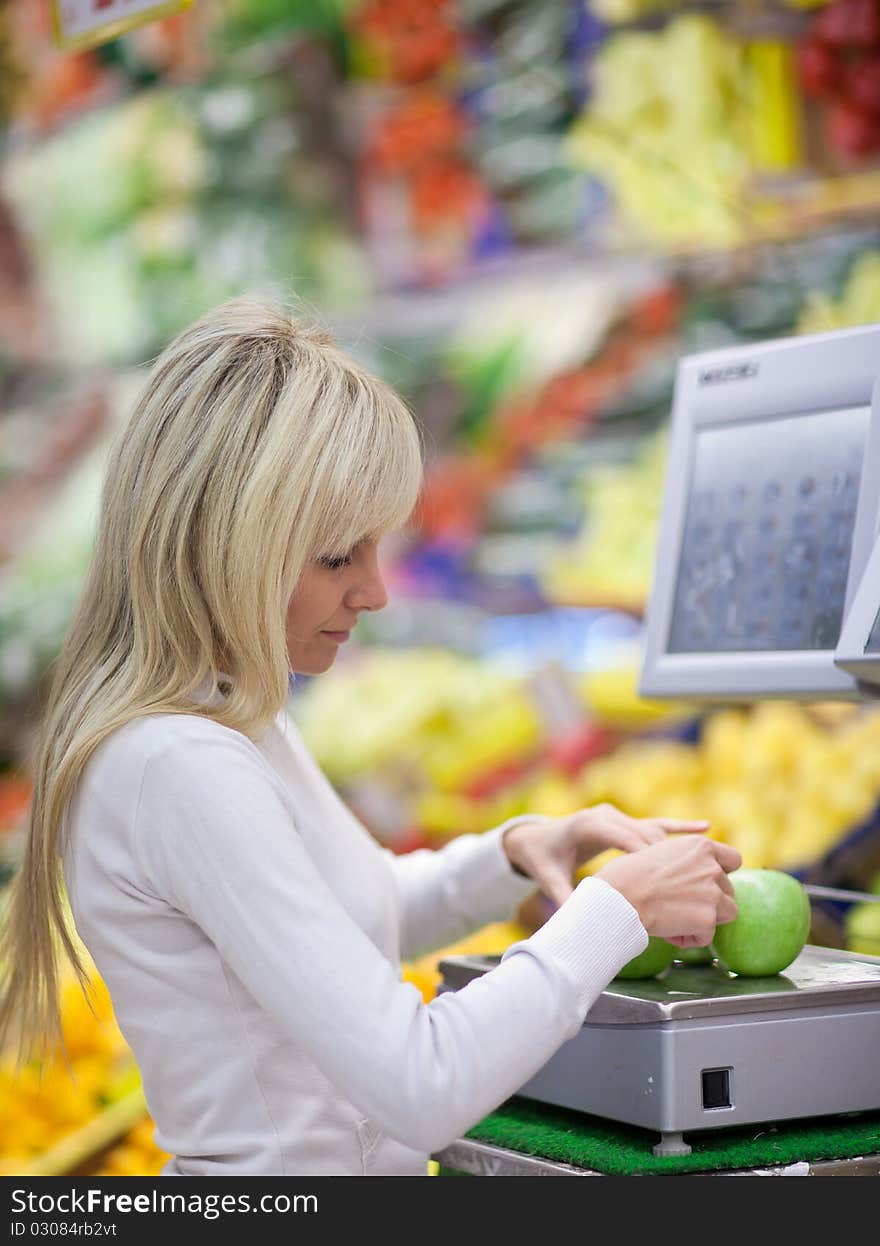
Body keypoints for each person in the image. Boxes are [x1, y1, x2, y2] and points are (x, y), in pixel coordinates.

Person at [0, 297, 740, 1177]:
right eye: (337, 557)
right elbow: (420, 1083)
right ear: (227, 545)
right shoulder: (177, 764)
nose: (376, 592)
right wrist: (612, 914)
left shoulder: (231, 705)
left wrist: (511, 855)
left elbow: (344, 915)